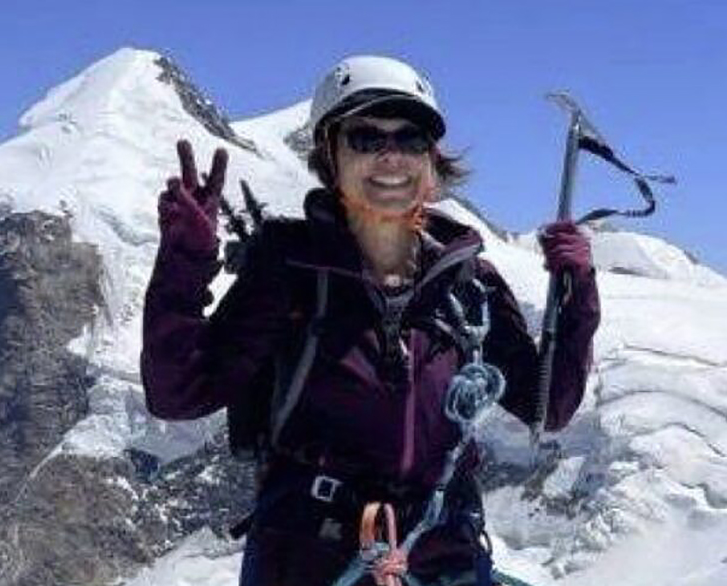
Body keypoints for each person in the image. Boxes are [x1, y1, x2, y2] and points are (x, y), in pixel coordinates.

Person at [141, 55, 599, 586]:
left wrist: (576, 289)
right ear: (329, 156)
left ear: (433, 163)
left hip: (440, 555)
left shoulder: (470, 282)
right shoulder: (290, 270)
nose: (391, 156)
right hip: (311, 559)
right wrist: (185, 262)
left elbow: (550, 406)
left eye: (410, 139)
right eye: (365, 137)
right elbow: (178, 394)